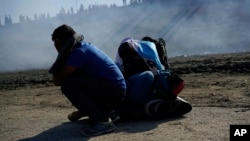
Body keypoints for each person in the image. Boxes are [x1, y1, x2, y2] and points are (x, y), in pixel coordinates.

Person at [49, 24, 126, 137]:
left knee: (68, 84)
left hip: (113, 90)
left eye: (55, 43)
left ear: (58, 41)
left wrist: (60, 53)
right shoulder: (83, 46)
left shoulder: (77, 52)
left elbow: (57, 80)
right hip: (115, 90)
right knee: (74, 79)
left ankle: (103, 121)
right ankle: (105, 111)